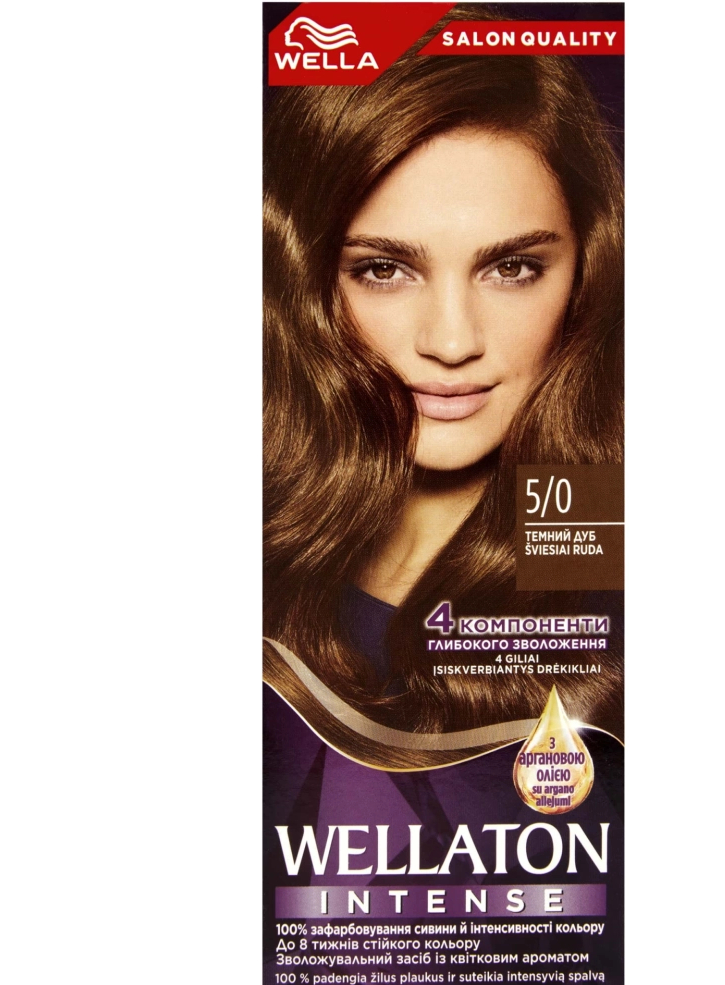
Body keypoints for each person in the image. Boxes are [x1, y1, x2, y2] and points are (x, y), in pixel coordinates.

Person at [262, 13, 624, 768]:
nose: (453, 342)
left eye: (512, 268)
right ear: (302, 282)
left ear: (586, 276)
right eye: (383, 270)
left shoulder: (617, 576)